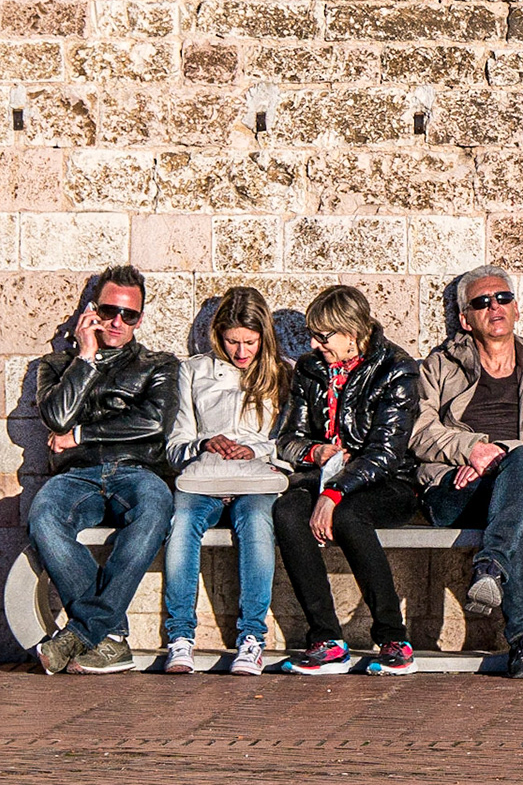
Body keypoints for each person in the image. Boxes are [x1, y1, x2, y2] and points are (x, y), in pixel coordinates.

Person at [412, 267, 523, 680]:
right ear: (466, 319)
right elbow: (419, 430)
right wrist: (470, 450)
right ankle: (521, 633)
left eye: (502, 298)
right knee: (515, 510)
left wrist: (497, 454)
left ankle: (496, 579)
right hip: (453, 489)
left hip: (512, 488)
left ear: (516, 309)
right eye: (481, 302)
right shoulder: (439, 367)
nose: (495, 307)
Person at [28, 264, 180, 675]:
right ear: (92, 312)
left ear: (140, 319)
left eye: (128, 315)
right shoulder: (56, 365)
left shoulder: (159, 365)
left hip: (136, 472)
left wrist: (79, 435)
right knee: (43, 516)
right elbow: (56, 416)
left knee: (154, 510)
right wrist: (86, 358)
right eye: (110, 311)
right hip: (76, 477)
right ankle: (109, 637)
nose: (117, 322)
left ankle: (82, 631)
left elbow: (153, 422)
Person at [273, 284, 422, 676]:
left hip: (388, 482)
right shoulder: (310, 369)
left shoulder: (396, 369)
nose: (314, 343)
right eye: (313, 335)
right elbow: (288, 438)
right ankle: (326, 639)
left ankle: (393, 637)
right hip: (324, 477)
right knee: (287, 509)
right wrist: (315, 452)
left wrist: (335, 493)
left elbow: (387, 453)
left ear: (352, 333)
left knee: (348, 515)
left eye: (324, 336)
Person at [161, 287, 292, 677]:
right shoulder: (193, 371)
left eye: (249, 342)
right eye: (232, 341)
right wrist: (205, 441)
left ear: (263, 337)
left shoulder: (283, 373)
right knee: (181, 523)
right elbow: (175, 444)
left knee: (257, 525)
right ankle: (180, 637)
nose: (240, 352)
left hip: (256, 479)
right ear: (217, 334)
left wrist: (259, 452)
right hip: (205, 476)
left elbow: (289, 442)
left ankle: (252, 638)